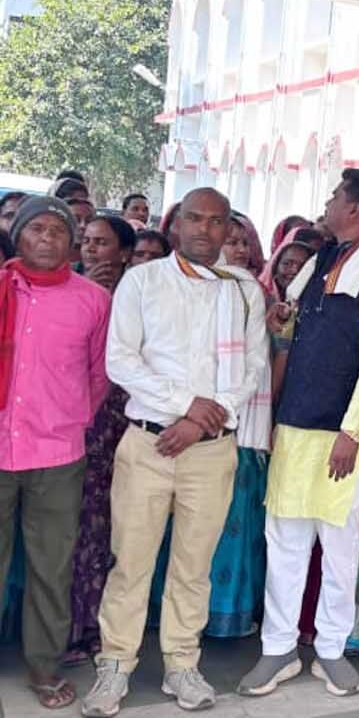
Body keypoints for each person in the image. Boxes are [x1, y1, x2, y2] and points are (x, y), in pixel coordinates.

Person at [83, 188, 268, 717]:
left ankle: (182, 664)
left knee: (193, 565)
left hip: (210, 450)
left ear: (228, 228)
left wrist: (199, 420)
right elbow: (121, 361)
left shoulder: (243, 291)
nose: (205, 230)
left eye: (217, 221)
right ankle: (115, 664)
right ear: (177, 224)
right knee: (130, 562)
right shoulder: (142, 281)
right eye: (195, 219)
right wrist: (187, 407)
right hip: (148, 443)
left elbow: (253, 367)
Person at [239, 169, 359, 699]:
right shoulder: (324, 259)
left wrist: (352, 432)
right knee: (285, 541)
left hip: (346, 435)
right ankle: (279, 648)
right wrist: (283, 319)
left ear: (354, 209)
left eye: (336, 196)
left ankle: (332, 650)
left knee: (339, 546)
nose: (328, 201)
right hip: (297, 426)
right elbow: (298, 322)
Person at [0, 197, 111, 710]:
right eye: (36, 229)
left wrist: (69, 418)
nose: (46, 238)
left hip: (57, 452)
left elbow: (98, 374)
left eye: (57, 231)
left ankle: (44, 668)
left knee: (51, 567)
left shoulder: (92, 300)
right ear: (17, 235)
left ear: (72, 243)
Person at [64, 216, 136, 664]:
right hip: (78, 421)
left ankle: (101, 629)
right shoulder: (70, 289)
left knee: (113, 529)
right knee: (76, 528)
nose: (92, 250)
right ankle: (70, 628)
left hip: (124, 422)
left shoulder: (138, 293)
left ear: (124, 253)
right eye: (87, 241)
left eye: (102, 243)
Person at [260, 239, 315, 303]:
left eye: (303, 266)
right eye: (287, 264)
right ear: (276, 266)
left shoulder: (315, 303)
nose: (295, 271)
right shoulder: (259, 297)